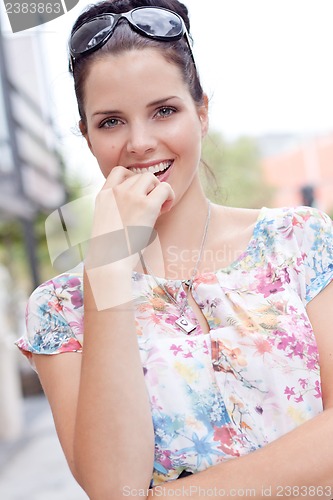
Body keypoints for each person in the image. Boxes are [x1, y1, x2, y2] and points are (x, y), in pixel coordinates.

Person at [16, 0, 333, 498]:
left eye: (164, 111)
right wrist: (109, 263)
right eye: (111, 122)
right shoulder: (59, 308)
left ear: (201, 112)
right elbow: (114, 487)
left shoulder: (299, 241)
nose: (140, 143)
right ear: (87, 137)